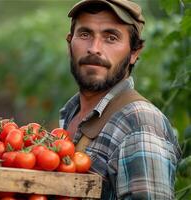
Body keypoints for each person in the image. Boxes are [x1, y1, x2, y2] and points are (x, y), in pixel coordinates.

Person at [59, 0, 181, 199]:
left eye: (111, 37)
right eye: (85, 34)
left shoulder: (140, 124)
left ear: (134, 53)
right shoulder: (71, 113)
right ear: (69, 43)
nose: (94, 48)